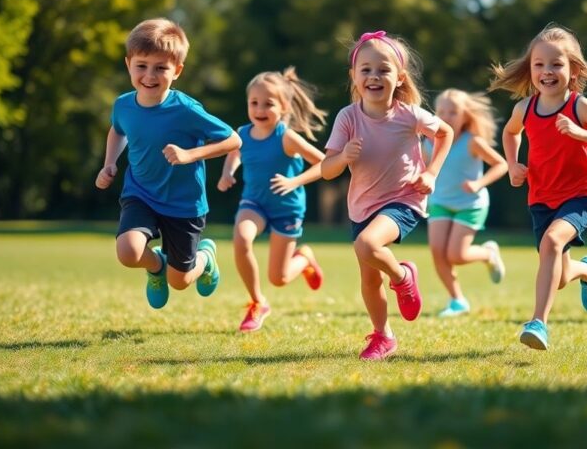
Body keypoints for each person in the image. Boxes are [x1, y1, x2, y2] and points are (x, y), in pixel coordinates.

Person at [490, 24, 587, 350]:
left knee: (553, 243)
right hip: (542, 197)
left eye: (556, 64)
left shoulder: (580, 107)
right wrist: (513, 163)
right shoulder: (524, 108)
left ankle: (538, 323)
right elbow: (511, 133)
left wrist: (583, 133)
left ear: (573, 70)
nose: (547, 71)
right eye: (539, 64)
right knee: (556, 275)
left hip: (581, 194)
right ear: (530, 70)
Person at [321, 30, 453, 360]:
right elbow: (326, 170)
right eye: (366, 69)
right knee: (368, 278)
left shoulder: (409, 114)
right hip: (362, 206)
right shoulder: (347, 117)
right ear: (353, 76)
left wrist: (431, 172)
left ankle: (403, 276)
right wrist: (343, 158)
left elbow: (445, 133)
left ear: (399, 78)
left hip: (404, 198)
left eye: (383, 70)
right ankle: (383, 336)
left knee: (367, 245)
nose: (374, 76)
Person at [95, 18, 241, 309]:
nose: (150, 75)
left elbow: (233, 140)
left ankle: (206, 258)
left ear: (177, 71)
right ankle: (155, 267)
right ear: (128, 64)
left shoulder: (186, 109)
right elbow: (118, 130)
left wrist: (189, 155)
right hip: (141, 194)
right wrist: (109, 163)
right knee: (127, 251)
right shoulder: (123, 105)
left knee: (181, 281)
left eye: (161, 68)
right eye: (142, 66)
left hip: (183, 204)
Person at [217, 67, 328, 332]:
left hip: (286, 210)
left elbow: (323, 164)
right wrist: (227, 173)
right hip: (254, 203)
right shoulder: (242, 134)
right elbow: (234, 153)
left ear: (284, 107)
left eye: (268, 103)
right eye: (254, 103)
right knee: (241, 238)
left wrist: (294, 181)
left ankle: (303, 257)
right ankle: (257, 302)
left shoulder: (286, 137)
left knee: (278, 278)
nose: (259, 109)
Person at [425, 89, 509, 318]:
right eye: (441, 111)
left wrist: (479, 183)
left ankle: (488, 254)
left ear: (465, 116)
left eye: (453, 112)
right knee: (437, 252)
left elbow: (501, 164)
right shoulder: (428, 142)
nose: (447, 116)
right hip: (440, 201)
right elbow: (422, 169)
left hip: (470, 204)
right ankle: (457, 300)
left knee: (456, 255)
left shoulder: (473, 142)